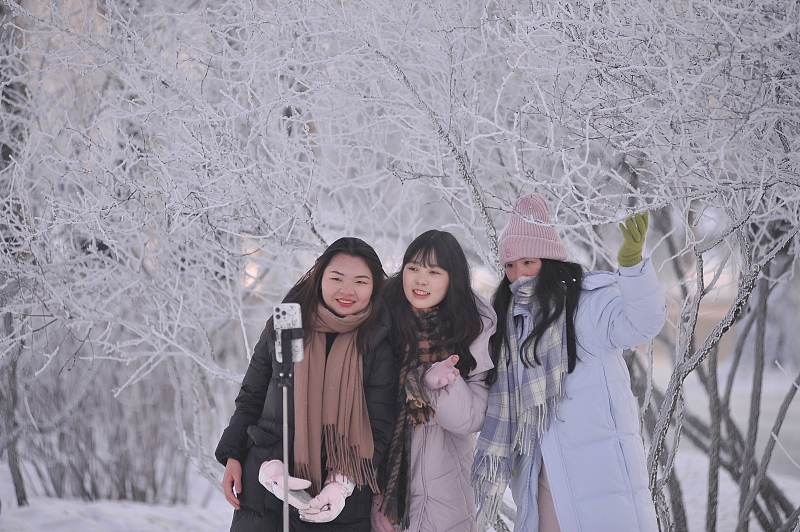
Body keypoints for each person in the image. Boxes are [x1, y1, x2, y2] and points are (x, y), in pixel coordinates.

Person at [471, 194, 667, 532]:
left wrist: (633, 269)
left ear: (549, 261)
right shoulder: (508, 324)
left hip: (599, 481)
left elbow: (643, 324)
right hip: (542, 479)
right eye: (510, 266)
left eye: (527, 263)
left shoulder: (587, 307)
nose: (518, 276)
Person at [214, 237, 398, 531]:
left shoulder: (377, 344)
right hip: (265, 494)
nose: (347, 290)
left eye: (360, 281)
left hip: (337, 507)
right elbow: (251, 397)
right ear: (319, 277)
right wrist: (233, 454)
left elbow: (379, 428)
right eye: (336, 278)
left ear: (375, 286)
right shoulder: (287, 325)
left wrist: (341, 486)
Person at [370, 230, 497, 532]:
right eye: (413, 268)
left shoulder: (473, 327)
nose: (420, 280)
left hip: (446, 490)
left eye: (433, 272)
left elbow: (474, 417)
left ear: (452, 278)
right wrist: (376, 497)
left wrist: (442, 387)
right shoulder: (378, 322)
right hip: (379, 492)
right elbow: (362, 412)